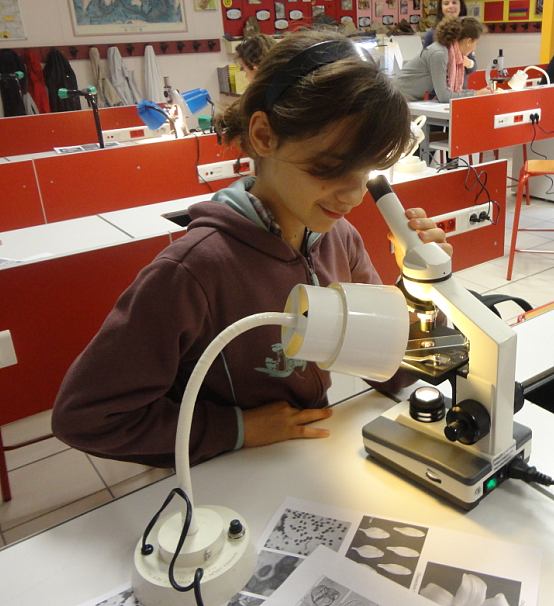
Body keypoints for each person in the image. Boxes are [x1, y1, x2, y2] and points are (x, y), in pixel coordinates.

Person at [52, 30, 451, 469]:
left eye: (368, 172)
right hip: (223, 471)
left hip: (304, 459)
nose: (354, 196)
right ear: (263, 135)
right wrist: (237, 429)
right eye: (329, 168)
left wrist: (422, 285)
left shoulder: (340, 238)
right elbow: (86, 417)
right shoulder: (192, 272)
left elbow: (395, 365)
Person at [394, 16, 489, 103]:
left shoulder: (449, 53)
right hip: (397, 100)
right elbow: (444, 96)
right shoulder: (439, 53)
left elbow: (447, 93)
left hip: (407, 100)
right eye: (476, 44)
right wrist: (475, 94)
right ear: (468, 41)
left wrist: (476, 93)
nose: (474, 48)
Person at [422, 0, 476, 82]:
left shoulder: (467, 33)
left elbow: (473, 68)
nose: (450, 6)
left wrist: (468, 63)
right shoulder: (431, 35)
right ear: (441, 8)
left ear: (461, 6)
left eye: (454, 2)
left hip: (461, 87)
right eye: (446, 3)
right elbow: (424, 66)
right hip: (436, 87)